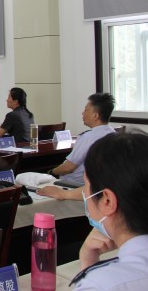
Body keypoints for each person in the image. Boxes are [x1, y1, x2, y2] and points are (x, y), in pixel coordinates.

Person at [70, 131, 148, 290]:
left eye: (86, 187)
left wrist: (88, 267)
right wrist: (90, 263)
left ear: (107, 201)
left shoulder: (101, 285)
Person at [47, 93, 116, 186]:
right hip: (100, 183)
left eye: (86, 110)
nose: (83, 113)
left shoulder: (88, 137)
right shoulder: (113, 133)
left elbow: (68, 168)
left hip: (73, 184)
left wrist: (51, 172)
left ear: (95, 116)